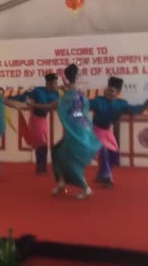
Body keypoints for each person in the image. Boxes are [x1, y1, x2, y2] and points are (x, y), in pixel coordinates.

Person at [27, 64, 101, 199]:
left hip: (76, 135)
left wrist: (32, 105)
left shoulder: (65, 97)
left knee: (69, 161)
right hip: (82, 132)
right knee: (56, 151)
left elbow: (49, 106)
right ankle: (61, 182)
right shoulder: (81, 96)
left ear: (64, 79)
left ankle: (86, 188)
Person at [89, 77, 148, 188]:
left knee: (115, 156)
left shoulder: (121, 104)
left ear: (118, 93)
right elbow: (85, 104)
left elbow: (135, 109)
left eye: (111, 90)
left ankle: (101, 174)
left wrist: (147, 103)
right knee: (103, 152)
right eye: (107, 89)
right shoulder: (98, 101)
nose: (108, 92)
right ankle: (108, 178)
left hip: (107, 132)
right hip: (96, 131)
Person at [8, 73, 59, 174]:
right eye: (54, 83)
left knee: (42, 144)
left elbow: (55, 106)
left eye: (56, 83)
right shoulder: (37, 91)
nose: (56, 85)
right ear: (48, 83)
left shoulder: (56, 94)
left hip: (44, 120)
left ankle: (41, 168)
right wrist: (8, 99)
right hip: (36, 119)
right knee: (41, 144)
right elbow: (23, 96)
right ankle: (41, 169)